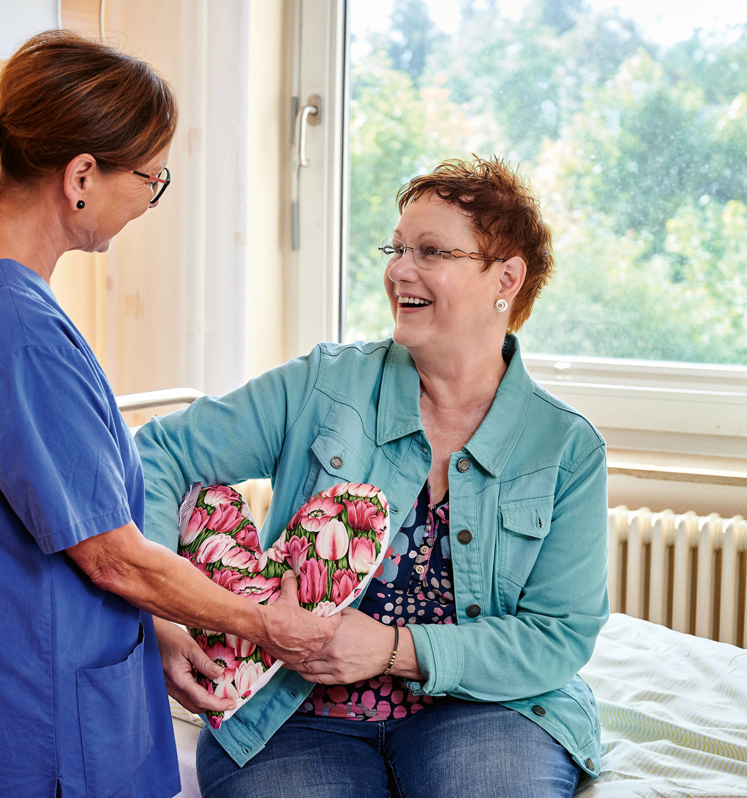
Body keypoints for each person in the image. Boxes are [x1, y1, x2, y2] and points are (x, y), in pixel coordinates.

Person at [0, 30, 337, 798]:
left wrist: (159, 626)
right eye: (152, 178)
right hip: (29, 716)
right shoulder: (18, 331)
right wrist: (268, 624)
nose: (151, 199)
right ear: (81, 175)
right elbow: (113, 556)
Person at [136, 156, 609, 798]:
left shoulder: (565, 447)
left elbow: (558, 635)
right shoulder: (325, 384)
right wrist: (163, 616)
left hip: (488, 710)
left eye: (432, 251)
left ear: (507, 277)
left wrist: (394, 650)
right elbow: (158, 453)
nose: (399, 271)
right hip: (296, 717)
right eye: (397, 248)